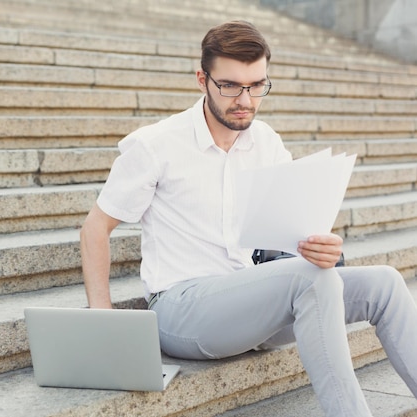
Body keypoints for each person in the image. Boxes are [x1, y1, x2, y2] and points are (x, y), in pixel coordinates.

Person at [79, 20, 417, 416]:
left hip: (254, 305)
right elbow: (95, 229)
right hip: (183, 309)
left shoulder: (267, 142)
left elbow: (295, 233)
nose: (245, 99)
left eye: (257, 85)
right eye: (230, 86)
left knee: (385, 283)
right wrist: (104, 324)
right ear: (201, 79)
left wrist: (319, 247)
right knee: (307, 280)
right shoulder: (157, 145)